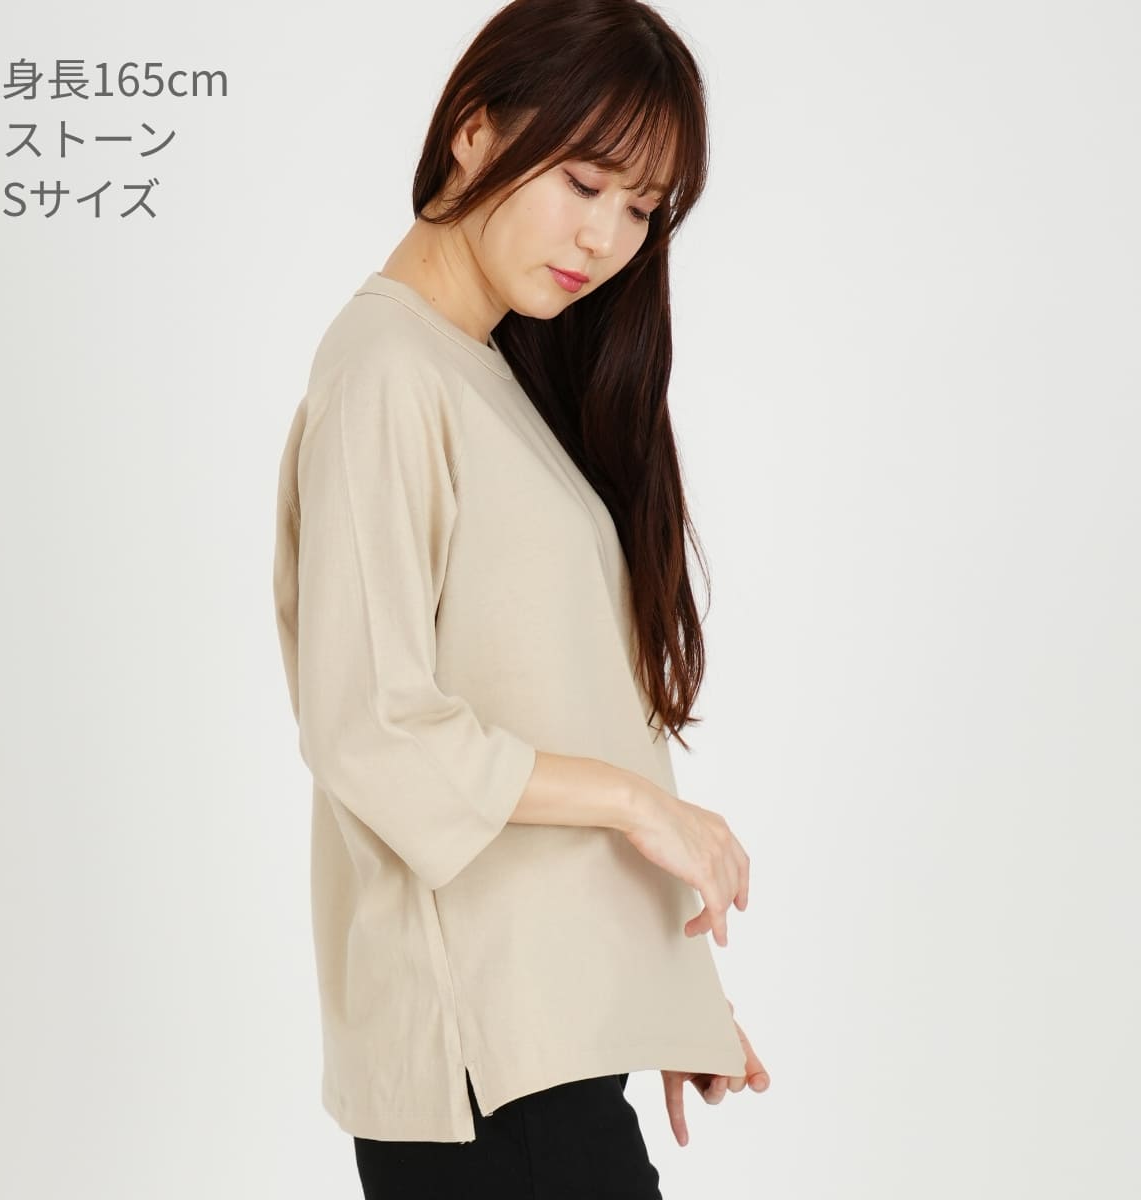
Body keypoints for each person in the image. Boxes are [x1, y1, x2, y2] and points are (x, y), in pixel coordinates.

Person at [271, 0, 770, 1194]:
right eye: (586, 182)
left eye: (642, 209)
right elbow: (371, 725)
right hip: (482, 1070)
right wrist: (642, 809)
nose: (606, 236)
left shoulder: (489, 378)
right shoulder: (387, 370)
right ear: (474, 133)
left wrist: (659, 998)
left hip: (543, 1049)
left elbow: (555, 703)